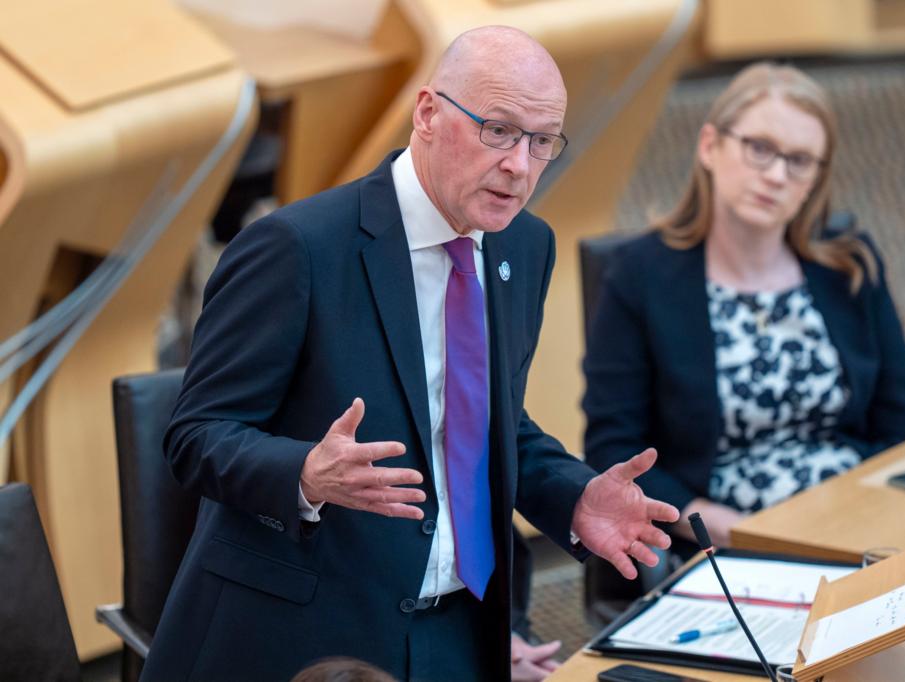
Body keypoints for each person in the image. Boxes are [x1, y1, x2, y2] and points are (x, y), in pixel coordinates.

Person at [143, 26, 679, 682]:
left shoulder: (523, 247)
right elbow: (195, 436)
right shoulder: (295, 249)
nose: (521, 165)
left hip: (458, 629)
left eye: (543, 142)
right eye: (500, 130)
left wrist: (574, 496)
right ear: (428, 113)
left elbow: (487, 427)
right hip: (303, 639)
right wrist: (305, 473)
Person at [582, 62, 905, 559]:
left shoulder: (849, 263)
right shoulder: (640, 276)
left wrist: (871, 517)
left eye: (799, 161)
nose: (776, 175)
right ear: (710, 146)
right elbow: (614, 450)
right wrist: (714, 525)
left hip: (861, 522)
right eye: (760, 148)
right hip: (731, 537)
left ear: (815, 177)